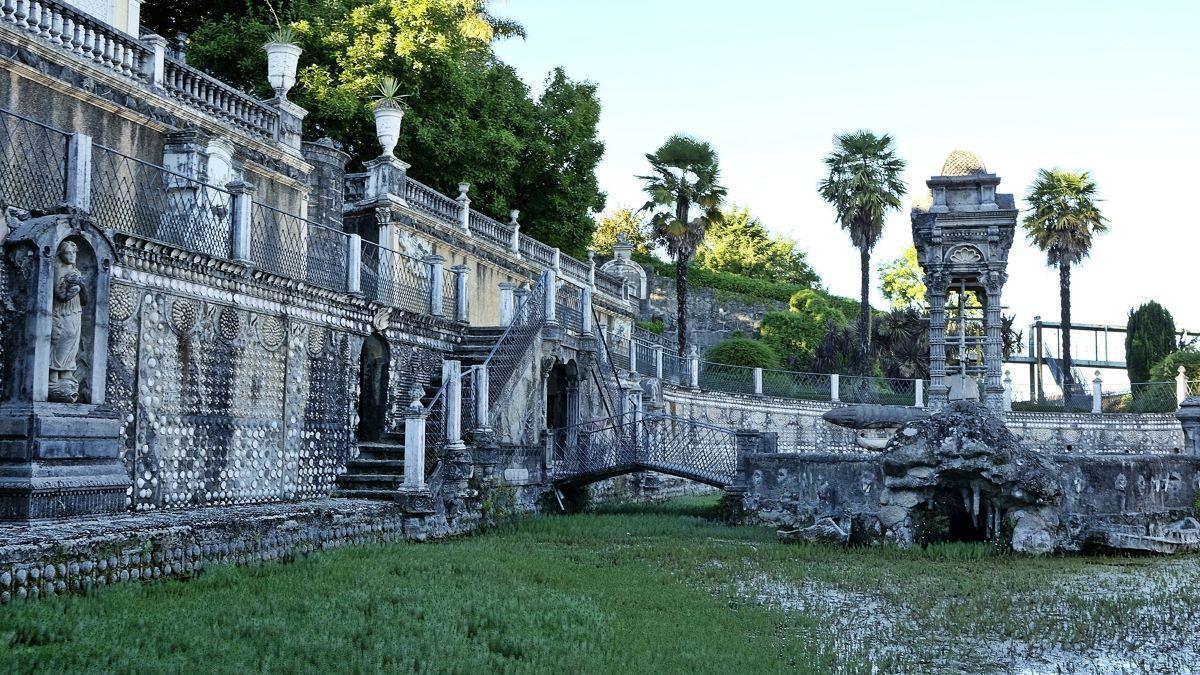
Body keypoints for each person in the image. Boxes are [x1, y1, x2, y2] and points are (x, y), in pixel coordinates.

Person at [49, 240, 87, 401]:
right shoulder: (58, 269)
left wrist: (81, 285)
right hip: (61, 313)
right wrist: (74, 287)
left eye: (74, 253)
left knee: (73, 344)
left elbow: (85, 299)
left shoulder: (76, 271)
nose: (71, 256)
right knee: (60, 342)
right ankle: (52, 377)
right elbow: (61, 295)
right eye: (68, 253)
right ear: (61, 254)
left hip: (75, 312)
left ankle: (67, 375)